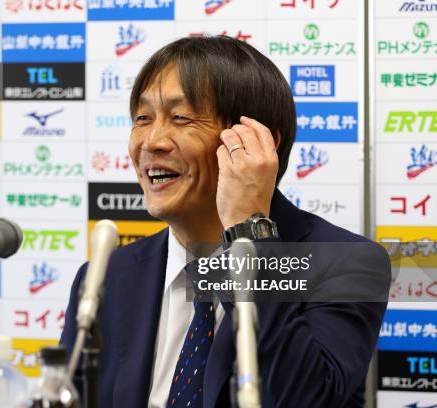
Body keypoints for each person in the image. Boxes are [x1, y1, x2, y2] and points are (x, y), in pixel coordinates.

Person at [60, 36, 389, 408]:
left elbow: (301, 399)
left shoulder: (344, 264)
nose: (151, 142)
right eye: (142, 119)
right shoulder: (107, 276)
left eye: (181, 117)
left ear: (255, 144)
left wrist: (249, 229)